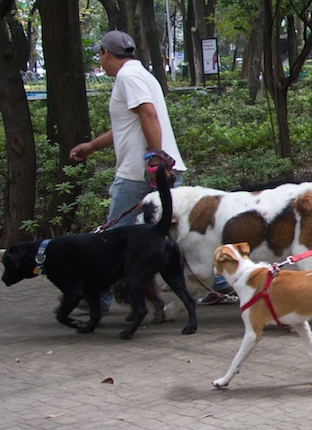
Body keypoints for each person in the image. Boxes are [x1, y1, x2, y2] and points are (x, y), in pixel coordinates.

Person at [68, 32, 222, 310]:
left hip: (139, 174)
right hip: (155, 170)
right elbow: (128, 126)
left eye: (100, 56)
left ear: (106, 53)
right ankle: (219, 283)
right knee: (175, 236)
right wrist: (91, 146)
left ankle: (97, 297)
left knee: (112, 239)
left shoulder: (128, 77)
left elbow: (149, 115)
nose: (100, 63)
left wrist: (156, 161)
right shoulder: (141, 74)